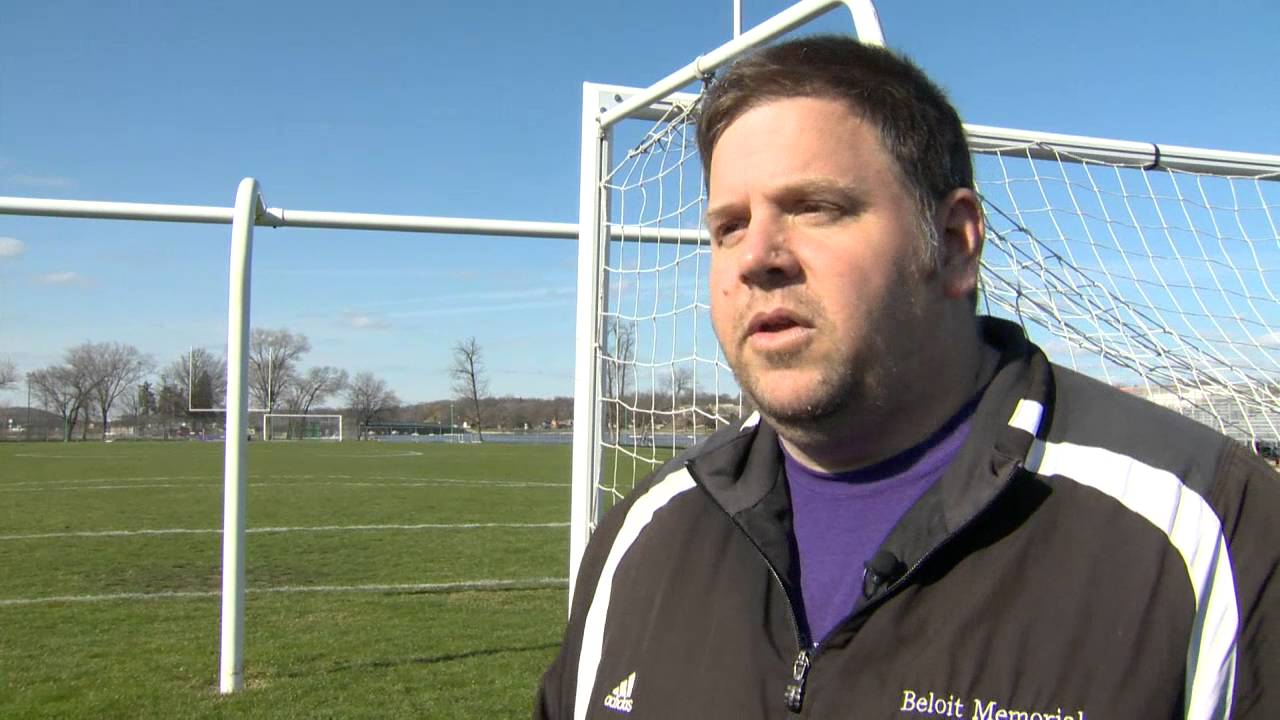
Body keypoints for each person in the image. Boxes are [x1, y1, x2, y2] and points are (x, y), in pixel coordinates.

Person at [535, 35, 1278, 719]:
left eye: (815, 207)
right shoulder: (644, 534)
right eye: (728, 225)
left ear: (954, 244)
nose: (756, 256)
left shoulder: (1208, 529)